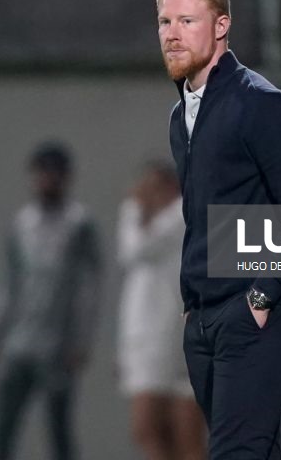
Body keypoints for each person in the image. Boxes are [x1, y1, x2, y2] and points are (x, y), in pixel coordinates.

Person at [153, 0, 281, 459]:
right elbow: (200, 217)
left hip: (264, 306)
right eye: (165, 22)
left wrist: (261, 295)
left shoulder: (261, 106)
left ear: (221, 26)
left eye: (187, 21)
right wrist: (194, 303)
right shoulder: (182, 115)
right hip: (207, 316)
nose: (172, 34)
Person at [0, 141, 101, 460]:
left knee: (59, 429)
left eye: (53, 174)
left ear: (65, 178)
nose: (46, 180)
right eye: (41, 174)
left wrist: (80, 341)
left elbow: (88, 288)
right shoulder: (23, 223)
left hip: (57, 344)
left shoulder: (79, 223)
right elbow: (8, 284)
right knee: (2, 426)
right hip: (19, 341)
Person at [116, 160, 206, 460]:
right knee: (168, 433)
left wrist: (132, 209)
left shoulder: (179, 215)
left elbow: (134, 249)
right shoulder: (151, 221)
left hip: (166, 338)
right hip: (151, 337)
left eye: (155, 187)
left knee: (154, 429)